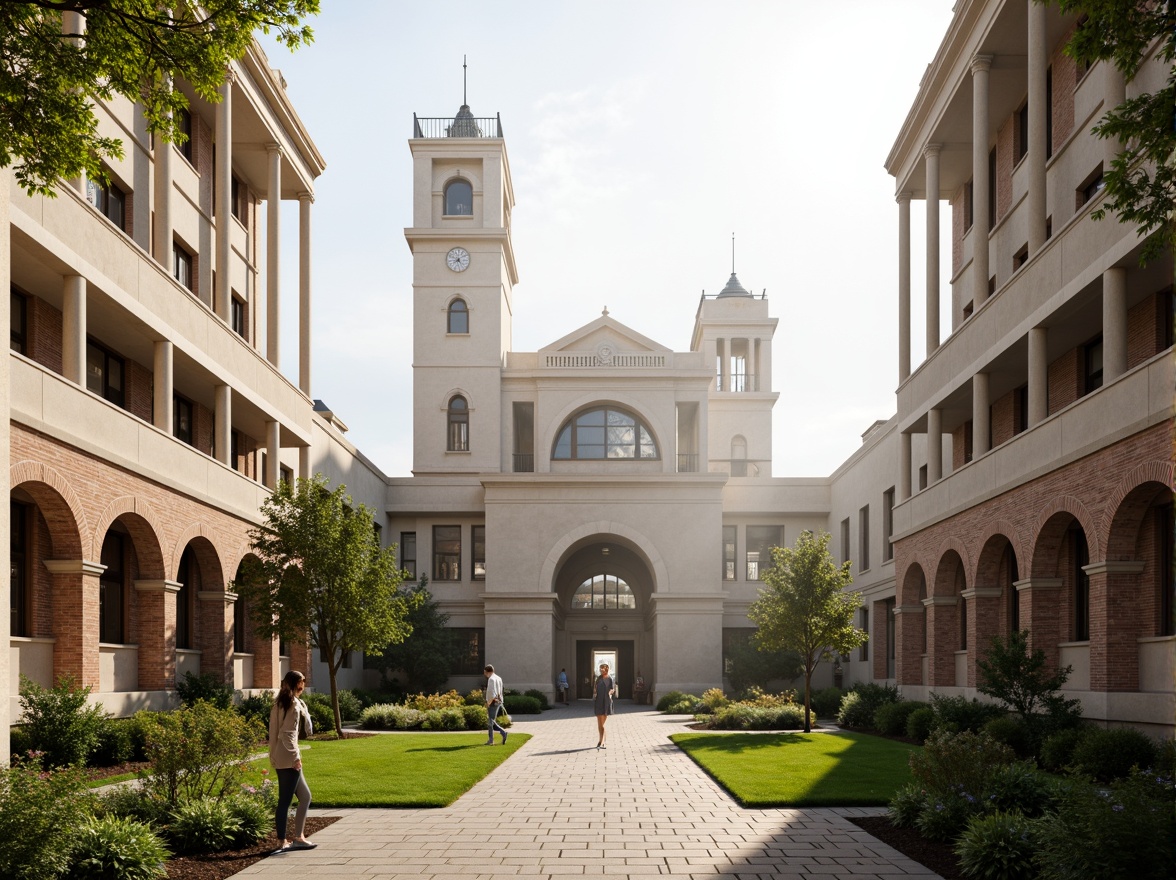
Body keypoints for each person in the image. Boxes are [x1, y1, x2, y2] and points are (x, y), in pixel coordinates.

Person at [268, 670, 317, 853]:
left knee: (305, 797)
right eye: (303, 681)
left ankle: (299, 837)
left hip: (281, 754)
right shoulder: (293, 705)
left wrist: (274, 754)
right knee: (285, 801)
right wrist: (296, 757)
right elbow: (287, 734)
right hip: (289, 756)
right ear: (298, 683)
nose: (304, 684)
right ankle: (282, 842)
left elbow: (274, 733)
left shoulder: (280, 702)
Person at [593, 662, 617, 748]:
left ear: (606, 669)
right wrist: (594, 693)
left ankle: (601, 741)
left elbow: (612, 688)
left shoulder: (610, 679)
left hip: (606, 702)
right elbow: (595, 689)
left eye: (602, 668)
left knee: (602, 724)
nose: (601, 670)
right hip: (598, 702)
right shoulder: (598, 679)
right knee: (599, 723)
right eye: (600, 668)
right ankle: (601, 741)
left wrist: (611, 692)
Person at [484, 664, 508, 745]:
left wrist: (488, 703)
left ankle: (493, 738)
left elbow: (491, 692)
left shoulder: (491, 679)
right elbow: (500, 691)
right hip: (499, 701)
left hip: (493, 701)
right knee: (492, 721)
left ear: (486, 671)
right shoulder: (498, 678)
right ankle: (493, 738)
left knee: (491, 721)